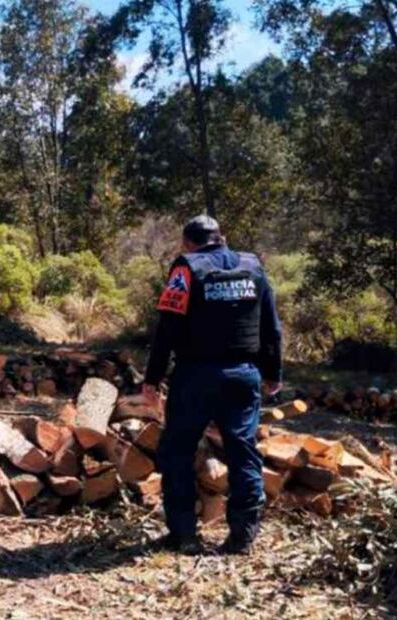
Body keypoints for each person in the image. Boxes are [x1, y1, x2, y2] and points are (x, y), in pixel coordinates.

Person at [142, 215, 282, 555]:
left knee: (178, 452)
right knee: (242, 451)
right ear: (222, 237)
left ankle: (184, 535)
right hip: (243, 375)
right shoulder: (252, 266)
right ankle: (242, 537)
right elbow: (271, 326)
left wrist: (152, 378)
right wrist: (273, 373)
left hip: (195, 376)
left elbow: (167, 330)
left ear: (187, 243)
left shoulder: (186, 269)